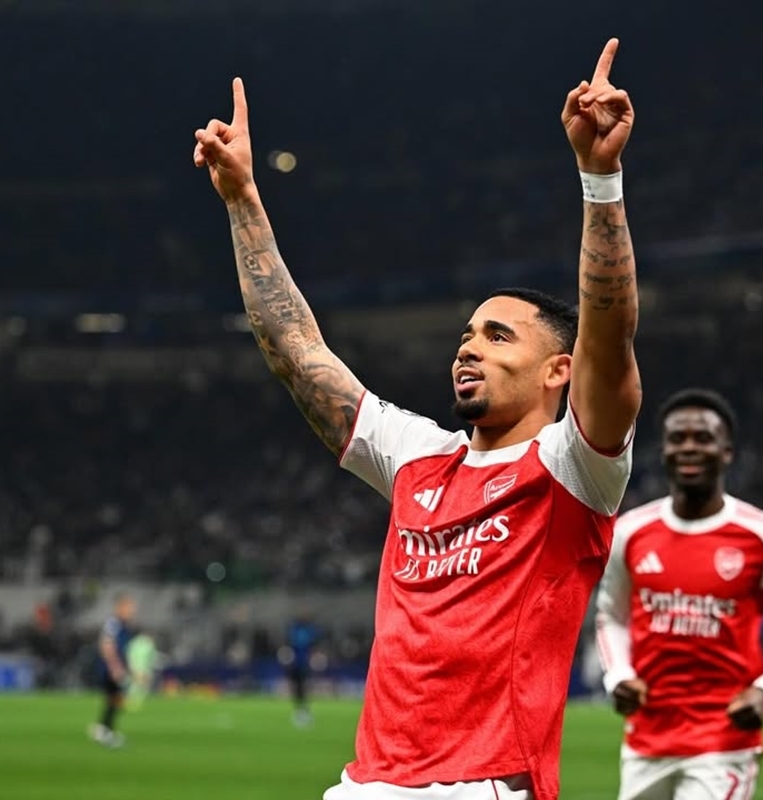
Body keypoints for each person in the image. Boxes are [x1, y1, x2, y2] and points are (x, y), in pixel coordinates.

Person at [193, 39, 641, 800]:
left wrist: (600, 178)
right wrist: (243, 199)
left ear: (557, 371)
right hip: (366, 783)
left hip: (481, 785)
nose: (469, 347)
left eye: (498, 336)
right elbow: (298, 352)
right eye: (466, 335)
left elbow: (609, 330)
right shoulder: (417, 455)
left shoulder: (576, 468)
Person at [595, 389, 763, 800]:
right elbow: (610, 616)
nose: (689, 447)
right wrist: (619, 676)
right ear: (664, 451)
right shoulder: (630, 533)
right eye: (677, 438)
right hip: (646, 737)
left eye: (703, 438)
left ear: (727, 452)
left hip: (724, 740)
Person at [88, 593, 136, 748]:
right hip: (110, 669)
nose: (131, 611)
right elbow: (107, 645)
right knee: (115, 698)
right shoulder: (113, 623)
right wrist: (115, 667)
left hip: (116, 667)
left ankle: (104, 729)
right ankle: (105, 730)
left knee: (115, 699)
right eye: (129, 607)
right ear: (120, 607)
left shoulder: (121, 625)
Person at [287, 615, 320, 728]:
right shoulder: (295, 629)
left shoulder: (308, 630)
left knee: (304, 687)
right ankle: (300, 709)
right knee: (297, 687)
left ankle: (304, 710)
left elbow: (314, 645)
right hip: (295, 663)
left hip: (304, 663)